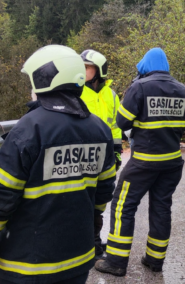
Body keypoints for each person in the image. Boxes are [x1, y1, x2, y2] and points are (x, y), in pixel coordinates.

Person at [0, 45, 116, 284]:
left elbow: (2, 193)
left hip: (28, 263)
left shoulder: (28, 129)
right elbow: (104, 187)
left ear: (45, 79)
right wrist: (96, 215)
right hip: (77, 259)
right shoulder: (100, 129)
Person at [95, 48, 185, 277]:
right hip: (171, 163)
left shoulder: (139, 87)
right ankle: (155, 260)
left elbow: (121, 121)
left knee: (123, 206)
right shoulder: (184, 90)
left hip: (143, 163)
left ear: (145, 68)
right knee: (161, 208)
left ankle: (116, 261)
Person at [79, 49, 123, 260]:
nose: (83, 70)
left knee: (101, 199)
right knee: (80, 200)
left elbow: (115, 126)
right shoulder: (76, 91)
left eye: (87, 67)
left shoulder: (111, 95)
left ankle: (95, 242)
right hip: (81, 155)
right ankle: (82, 243)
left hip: (104, 155)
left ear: (99, 71)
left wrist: (117, 150)